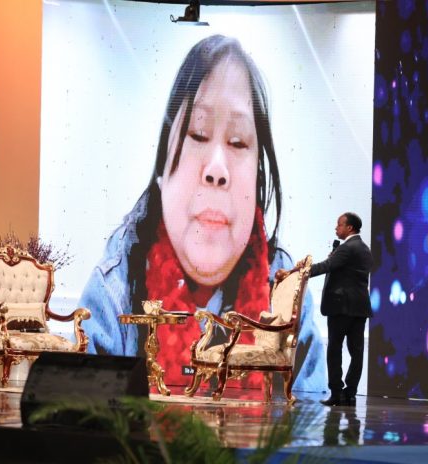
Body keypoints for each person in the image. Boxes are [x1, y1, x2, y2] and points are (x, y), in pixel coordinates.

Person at [77, 34, 326, 392]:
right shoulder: (114, 289)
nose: (217, 168)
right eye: (197, 133)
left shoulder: (286, 293)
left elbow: (308, 422)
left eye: (238, 142)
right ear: (163, 169)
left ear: (258, 178)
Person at [310, 212, 373, 406]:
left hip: (341, 307)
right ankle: (350, 393)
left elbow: (327, 266)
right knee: (356, 352)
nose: (336, 228)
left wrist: (303, 271)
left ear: (349, 228)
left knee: (335, 350)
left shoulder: (347, 248)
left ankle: (336, 392)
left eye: (339, 225)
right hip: (359, 308)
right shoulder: (364, 248)